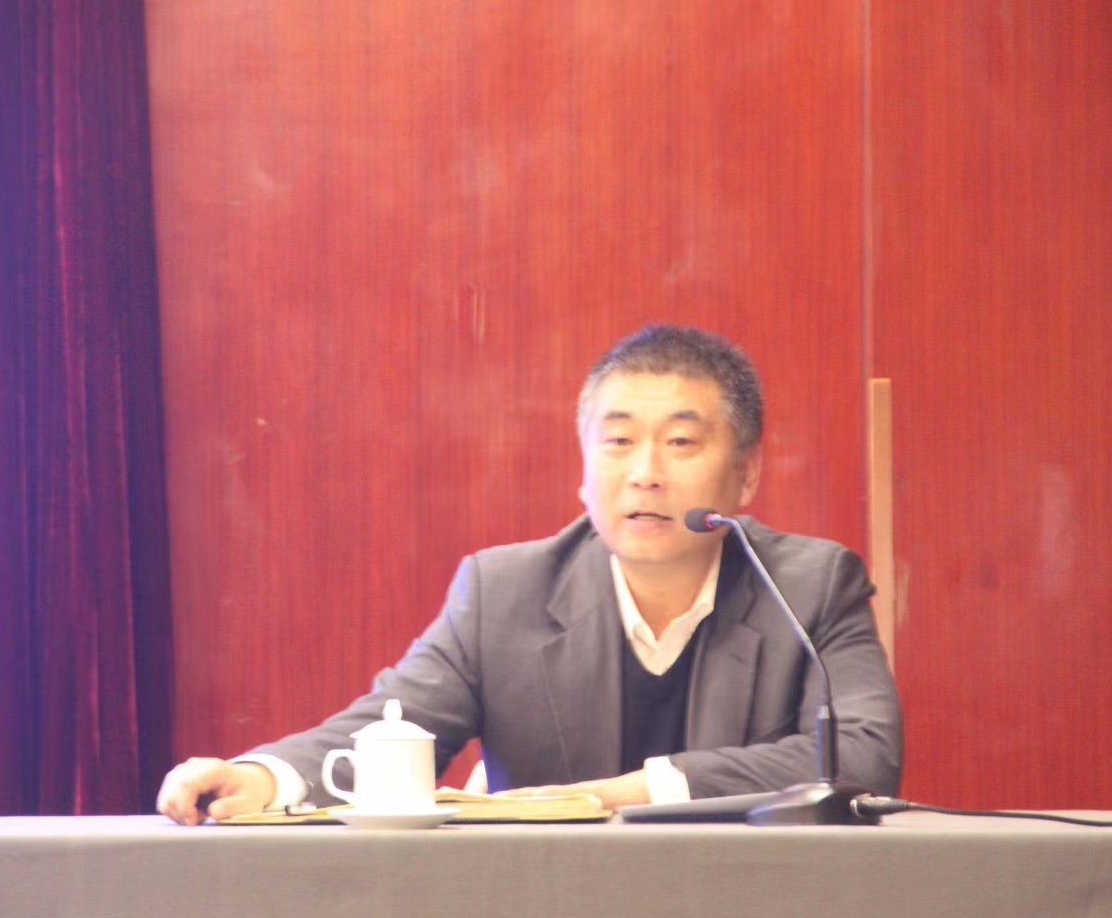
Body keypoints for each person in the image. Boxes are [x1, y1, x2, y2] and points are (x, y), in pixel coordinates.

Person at [157, 325, 901, 825]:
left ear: (746, 473)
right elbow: (391, 726)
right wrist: (266, 777)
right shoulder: (504, 593)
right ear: (583, 471)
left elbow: (861, 754)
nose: (645, 473)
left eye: (680, 442)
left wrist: (629, 792)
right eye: (617, 442)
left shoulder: (811, 587)